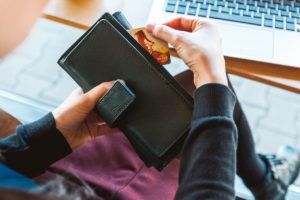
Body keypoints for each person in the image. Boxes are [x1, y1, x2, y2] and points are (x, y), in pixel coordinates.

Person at [0, 1, 299, 200]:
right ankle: (265, 183)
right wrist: (213, 78)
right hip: (81, 184)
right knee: (210, 96)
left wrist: (49, 136)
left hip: (47, 169)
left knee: (194, 96)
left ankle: (264, 181)